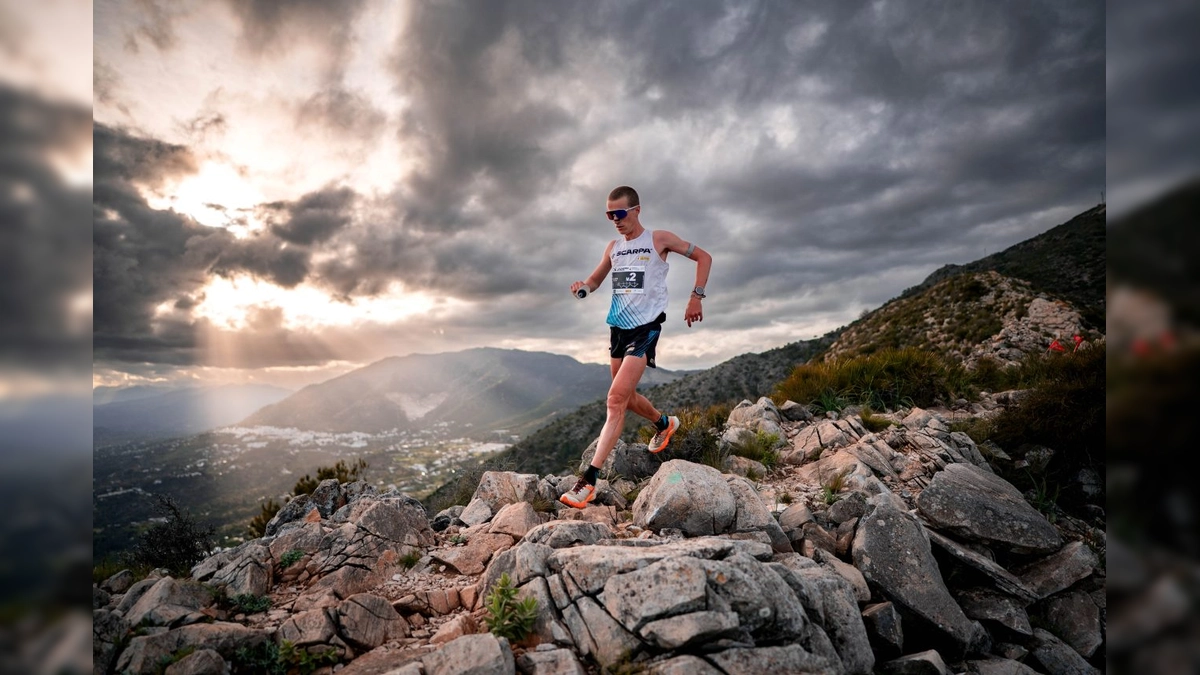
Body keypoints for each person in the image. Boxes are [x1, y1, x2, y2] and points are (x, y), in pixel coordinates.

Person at [559, 186, 712, 508]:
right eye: (609, 215)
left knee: (614, 400)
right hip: (617, 328)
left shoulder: (659, 239)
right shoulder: (614, 247)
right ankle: (663, 423)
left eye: (620, 213)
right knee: (625, 399)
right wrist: (581, 289)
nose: (615, 220)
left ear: (636, 210)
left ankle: (587, 482)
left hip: (646, 327)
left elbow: (704, 256)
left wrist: (696, 296)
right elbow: (595, 281)